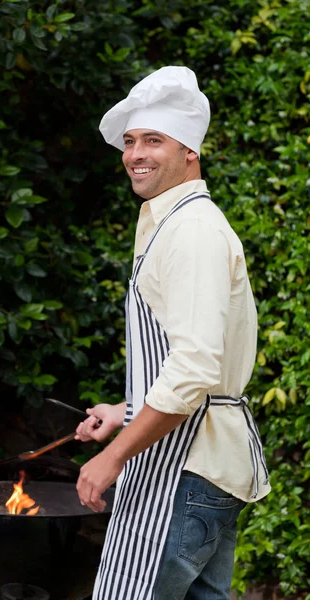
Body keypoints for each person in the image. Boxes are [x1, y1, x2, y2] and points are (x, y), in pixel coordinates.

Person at [75, 66, 270, 600]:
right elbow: (188, 358)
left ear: (190, 152)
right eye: (131, 140)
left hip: (185, 470)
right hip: (196, 462)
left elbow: (193, 371)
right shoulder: (171, 223)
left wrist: (113, 455)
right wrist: (125, 410)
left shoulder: (192, 231)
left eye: (154, 140)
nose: (136, 153)